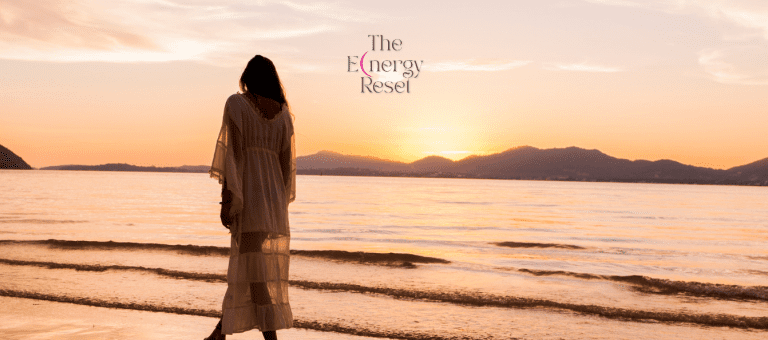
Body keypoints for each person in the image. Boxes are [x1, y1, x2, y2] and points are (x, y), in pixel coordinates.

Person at [206, 55, 296, 340]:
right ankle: (218, 335)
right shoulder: (285, 116)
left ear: (248, 77)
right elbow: (286, 171)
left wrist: (227, 199)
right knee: (249, 271)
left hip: (249, 200)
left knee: (254, 276)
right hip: (272, 205)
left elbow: (231, 156)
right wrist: (278, 204)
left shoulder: (237, 104)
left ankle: (268, 339)